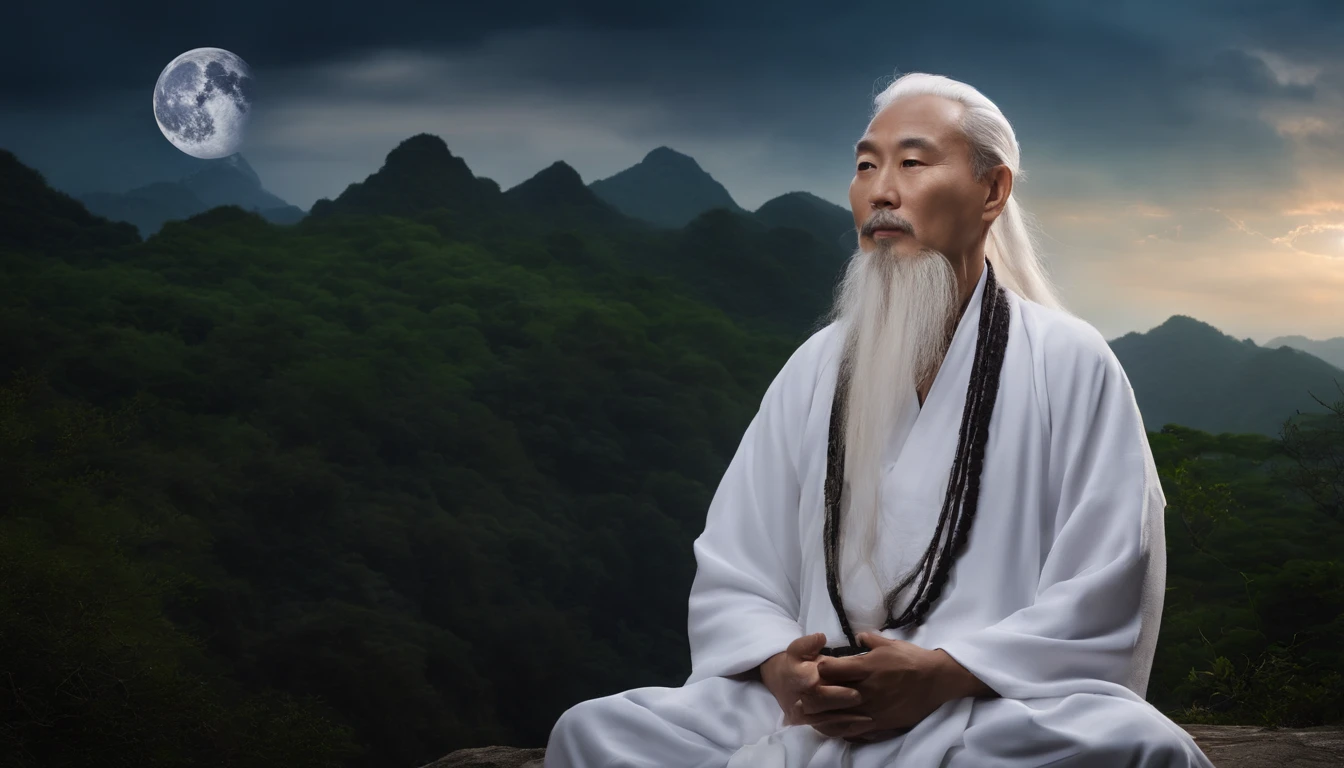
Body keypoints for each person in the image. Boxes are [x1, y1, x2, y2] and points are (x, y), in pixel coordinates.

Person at [544, 72, 1215, 767]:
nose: (881, 191)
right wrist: (783, 669)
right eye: (866, 166)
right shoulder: (815, 367)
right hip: (813, 713)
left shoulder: (1069, 361)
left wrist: (944, 673)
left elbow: (1104, 580)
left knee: (1142, 748)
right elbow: (737, 569)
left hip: (987, 707)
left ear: (993, 192)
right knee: (594, 731)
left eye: (913, 163)